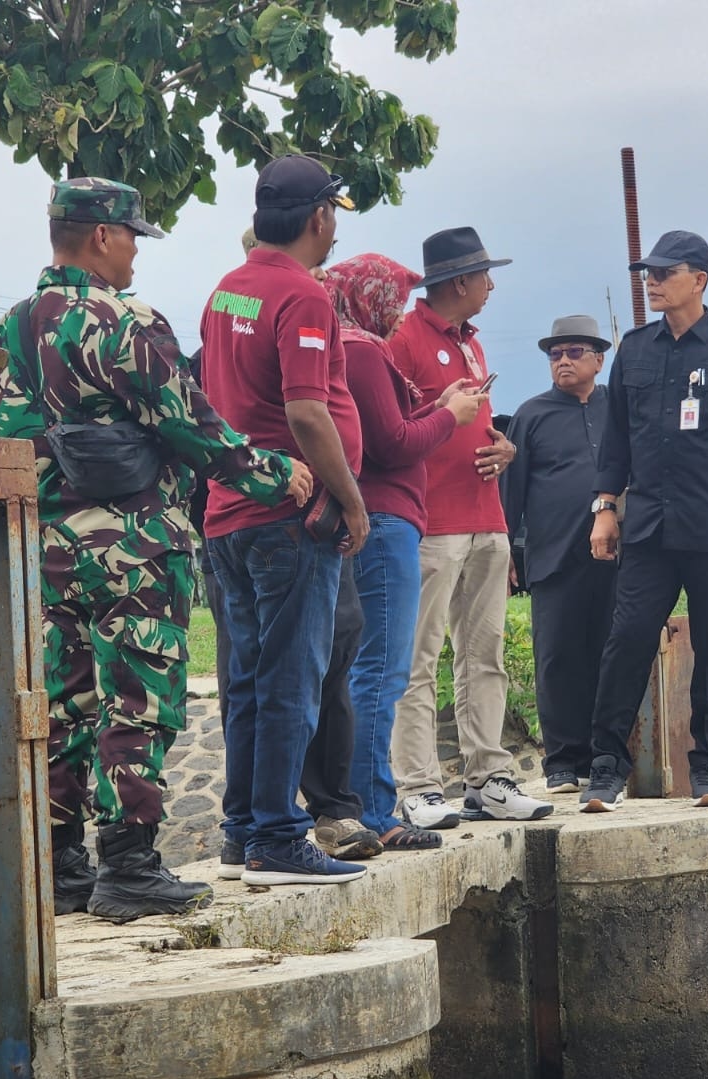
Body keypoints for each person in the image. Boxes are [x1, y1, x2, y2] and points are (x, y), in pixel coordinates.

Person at [0, 177, 310, 920]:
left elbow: (12, 438)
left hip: (46, 546)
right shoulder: (125, 322)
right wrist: (274, 476)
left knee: (65, 706)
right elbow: (192, 426)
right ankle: (129, 865)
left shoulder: (11, 328)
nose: (136, 250)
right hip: (133, 546)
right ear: (101, 236)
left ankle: (64, 867)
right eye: (131, 235)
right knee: (138, 700)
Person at [199, 155, 371, 886]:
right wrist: (353, 502)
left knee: (248, 679)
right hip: (288, 519)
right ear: (320, 217)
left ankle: (242, 832)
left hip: (226, 517)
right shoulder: (302, 297)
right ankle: (276, 835)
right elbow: (305, 411)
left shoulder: (227, 290)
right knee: (291, 680)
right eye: (334, 215)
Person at [579, 231, 708, 813]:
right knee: (627, 639)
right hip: (648, 527)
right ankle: (606, 769)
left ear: (700, 279)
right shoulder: (635, 350)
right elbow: (616, 440)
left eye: (666, 272)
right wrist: (606, 508)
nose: (653, 281)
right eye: (649, 273)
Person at [389, 227, 550, 825]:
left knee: (485, 654)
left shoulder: (472, 343)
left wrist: (502, 448)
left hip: (486, 516)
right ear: (459, 280)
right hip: (431, 520)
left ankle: (490, 777)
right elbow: (392, 427)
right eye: (485, 274)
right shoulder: (403, 339)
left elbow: (470, 423)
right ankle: (418, 786)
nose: (491, 284)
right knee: (418, 658)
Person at [324, 253, 484, 850]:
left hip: (382, 517)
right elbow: (391, 445)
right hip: (386, 518)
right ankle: (376, 810)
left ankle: (361, 803)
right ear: (372, 298)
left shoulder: (348, 345)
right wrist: (447, 415)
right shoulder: (363, 350)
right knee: (382, 670)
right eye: (394, 296)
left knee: (367, 668)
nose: (400, 309)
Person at [501, 315, 618, 794]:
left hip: (618, 555)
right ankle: (564, 762)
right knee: (558, 658)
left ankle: (607, 759)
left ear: (598, 358)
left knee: (613, 654)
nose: (564, 361)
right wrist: (505, 549)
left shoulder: (620, 408)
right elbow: (511, 489)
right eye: (555, 354)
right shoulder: (531, 415)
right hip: (554, 555)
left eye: (574, 352)